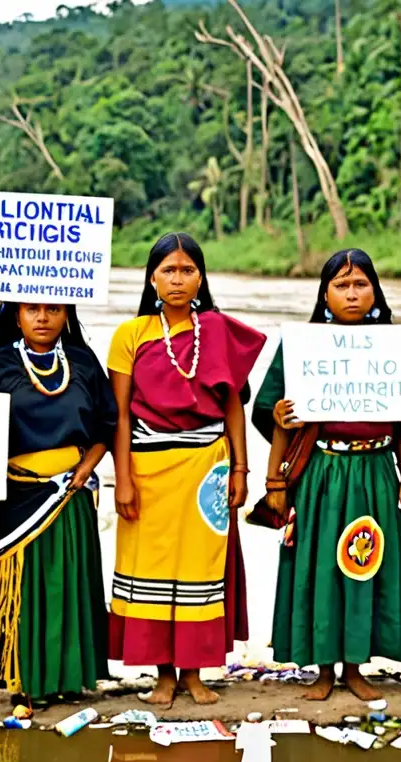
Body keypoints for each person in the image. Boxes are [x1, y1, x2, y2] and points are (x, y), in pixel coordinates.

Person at [107, 232, 266, 706]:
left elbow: (233, 405)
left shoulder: (216, 329)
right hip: (148, 466)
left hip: (207, 468)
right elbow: (118, 414)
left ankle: (194, 675)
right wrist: (124, 479)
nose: (178, 280)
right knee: (149, 569)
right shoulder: (130, 335)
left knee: (201, 571)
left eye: (187, 270)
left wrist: (241, 469)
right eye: (168, 271)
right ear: (152, 277)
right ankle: (162, 676)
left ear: (201, 276)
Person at [253, 249, 401, 702]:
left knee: (365, 566)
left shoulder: (392, 346)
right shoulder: (303, 345)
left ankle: (356, 666)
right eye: (341, 285)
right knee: (321, 566)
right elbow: (276, 415)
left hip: (375, 471)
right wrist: (275, 483)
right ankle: (323, 669)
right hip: (321, 474)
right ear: (325, 293)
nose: (351, 293)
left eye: (360, 284)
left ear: (375, 292)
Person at [0, 302, 115, 708]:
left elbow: (106, 426)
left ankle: (68, 678)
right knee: (25, 589)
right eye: (32, 309)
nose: (43, 318)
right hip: (13, 496)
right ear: (17, 316)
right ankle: (22, 679)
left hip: (70, 493)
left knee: (65, 584)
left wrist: (86, 467)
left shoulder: (83, 363)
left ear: (67, 315)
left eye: (53, 309)